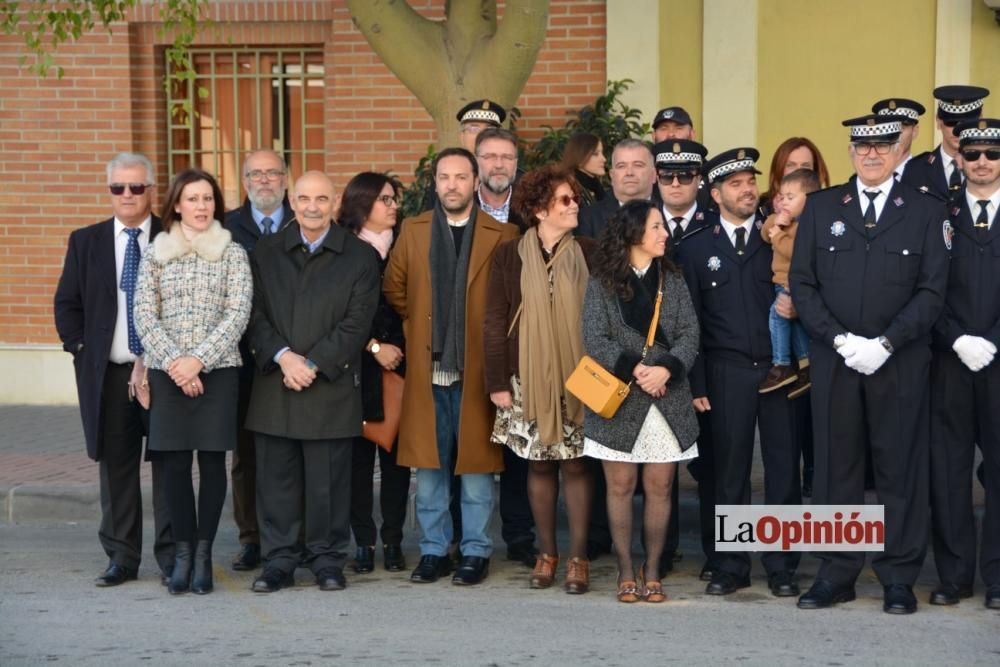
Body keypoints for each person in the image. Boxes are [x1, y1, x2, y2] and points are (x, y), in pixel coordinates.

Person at [790, 114, 948, 614]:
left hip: (898, 362)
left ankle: (898, 576)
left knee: (900, 468)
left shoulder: (925, 211)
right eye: (863, 146)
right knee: (838, 469)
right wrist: (839, 339)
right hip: (837, 362)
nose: (872, 154)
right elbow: (803, 284)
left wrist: (884, 343)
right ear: (852, 152)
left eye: (883, 146)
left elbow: (931, 291)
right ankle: (836, 573)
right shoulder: (819, 208)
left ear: (900, 151)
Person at [384, 147, 520, 586]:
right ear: (435, 182)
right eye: (445, 177)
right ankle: (433, 550)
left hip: (478, 372)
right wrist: (425, 326)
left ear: (475, 181)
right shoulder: (413, 229)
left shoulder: (503, 234)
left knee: (477, 470)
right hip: (429, 370)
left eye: (462, 177)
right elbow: (396, 289)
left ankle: (476, 551)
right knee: (429, 470)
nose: (452, 185)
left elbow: (509, 305)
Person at [246, 171, 380, 594]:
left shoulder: (359, 257)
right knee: (276, 484)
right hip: (276, 384)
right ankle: (279, 560)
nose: (312, 206)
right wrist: (284, 358)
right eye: (304, 198)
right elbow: (253, 315)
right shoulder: (266, 253)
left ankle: (327, 560)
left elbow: (358, 323)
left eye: (321, 198)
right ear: (292, 198)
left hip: (330, 386)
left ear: (334, 201)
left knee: (328, 485)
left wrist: (315, 363)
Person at [681, 148, 802, 598]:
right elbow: (688, 320)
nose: (748, 188)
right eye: (736, 183)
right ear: (716, 194)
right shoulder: (695, 247)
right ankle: (731, 564)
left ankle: (782, 565)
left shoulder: (782, 236)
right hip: (725, 370)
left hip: (779, 370)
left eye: (751, 181)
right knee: (728, 474)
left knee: (783, 471)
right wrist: (697, 382)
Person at [54, 152, 174, 587]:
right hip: (110, 374)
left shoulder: (174, 236)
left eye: (136, 187)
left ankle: (171, 556)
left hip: (163, 373)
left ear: (151, 190)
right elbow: (67, 303)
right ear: (109, 191)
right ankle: (122, 558)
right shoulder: (85, 241)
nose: (127, 195)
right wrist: (81, 348)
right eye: (118, 188)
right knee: (117, 468)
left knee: (168, 464)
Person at [134, 168, 252, 595]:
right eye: (193, 199)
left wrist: (198, 361)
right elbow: (145, 315)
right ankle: (181, 555)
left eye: (208, 199)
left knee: (212, 465)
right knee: (175, 467)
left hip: (218, 372)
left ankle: (203, 555)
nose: (201, 207)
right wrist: (176, 364)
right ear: (177, 205)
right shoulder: (156, 254)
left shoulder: (233, 253)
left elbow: (237, 314)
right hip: (168, 374)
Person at [484, 165, 597, 593]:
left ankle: (579, 558)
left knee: (577, 465)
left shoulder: (589, 250)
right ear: (537, 209)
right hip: (524, 377)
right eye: (565, 200)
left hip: (580, 377)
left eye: (575, 199)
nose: (574, 207)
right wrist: (496, 381)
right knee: (538, 464)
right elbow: (494, 321)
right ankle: (547, 554)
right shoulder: (509, 255)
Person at [581, 199, 700, 603]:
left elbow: (690, 335)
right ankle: (625, 569)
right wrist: (637, 370)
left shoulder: (674, 280)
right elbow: (595, 338)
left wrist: (665, 369)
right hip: (621, 395)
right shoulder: (601, 281)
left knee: (661, 486)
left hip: (666, 396)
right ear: (633, 233)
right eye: (655, 227)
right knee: (619, 486)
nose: (664, 234)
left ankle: (653, 569)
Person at [928, 118, 1000, 610]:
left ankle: (997, 577)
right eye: (971, 154)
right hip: (950, 361)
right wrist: (957, 338)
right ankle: (954, 576)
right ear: (959, 159)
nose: (981, 162)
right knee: (949, 472)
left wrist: (992, 341)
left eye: (992, 153)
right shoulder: (940, 214)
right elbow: (925, 286)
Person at [223, 148, 295, 572]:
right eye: (256, 173)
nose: (265, 180)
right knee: (247, 454)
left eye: (273, 172)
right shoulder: (227, 227)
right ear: (245, 181)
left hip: (296, 356)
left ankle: (295, 534)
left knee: (294, 449)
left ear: (286, 178)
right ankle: (251, 537)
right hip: (243, 360)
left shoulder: (302, 220)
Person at [337, 172, 412, 574]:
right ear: (362, 203)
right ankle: (363, 540)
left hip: (402, 367)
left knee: (399, 460)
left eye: (394, 198)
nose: (393, 205)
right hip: (355, 368)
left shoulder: (404, 245)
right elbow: (336, 311)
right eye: (385, 198)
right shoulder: (342, 248)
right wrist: (373, 346)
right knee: (358, 461)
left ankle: (394, 540)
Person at [652, 137, 716, 579]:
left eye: (686, 175)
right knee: (659, 466)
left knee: (714, 466)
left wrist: (702, 378)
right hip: (654, 369)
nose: (676, 183)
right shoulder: (641, 225)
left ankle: (718, 557)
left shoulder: (716, 225)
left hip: (708, 366)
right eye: (667, 175)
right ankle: (663, 551)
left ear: (700, 179)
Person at [758, 168, 819, 396]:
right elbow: (765, 234)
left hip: (792, 284)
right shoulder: (782, 221)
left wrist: (778, 235)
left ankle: (781, 364)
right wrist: (776, 223)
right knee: (793, 325)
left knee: (777, 315)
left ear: (809, 199)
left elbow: (795, 252)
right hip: (780, 282)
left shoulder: (806, 227)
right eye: (782, 197)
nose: (784, 202)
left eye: (791, 198)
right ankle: (805, 365)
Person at [904, 85, 990, 202]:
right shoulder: (915, 169)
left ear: (980, 120)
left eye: (966, 122)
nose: (958, 130)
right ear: (939, 122)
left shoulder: (992, 168)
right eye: (951, 122)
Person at [423, 99, 508, 212]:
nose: (481, 134)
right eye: (474, 128)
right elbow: (430, 219)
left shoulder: (516, 178)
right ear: (461, 137)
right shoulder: (445, 176)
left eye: (489, 129)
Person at [575, 138, 657, 240]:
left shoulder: (670, 214)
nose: (629, 172)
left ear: (653, 175)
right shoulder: (588, 219)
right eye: (621, 166)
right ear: (612, 176)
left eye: (638, 165)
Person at [761, 138, 830, 217]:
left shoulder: (827, 208)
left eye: (805, 165)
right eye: (791, 165)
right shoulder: (760, 208)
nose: (798, 171)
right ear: (778, 169)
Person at [871, 98, 926, 180]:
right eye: (888, 128)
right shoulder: (867, 175)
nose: (895, 134)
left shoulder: (928, 177)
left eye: (902, 127)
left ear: (914, 131)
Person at [560, 132, 606, 206]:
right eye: (595, 154)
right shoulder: (570, 192)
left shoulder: (595, 186)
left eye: (602, 153)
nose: (604, 159)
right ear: (580, 157)